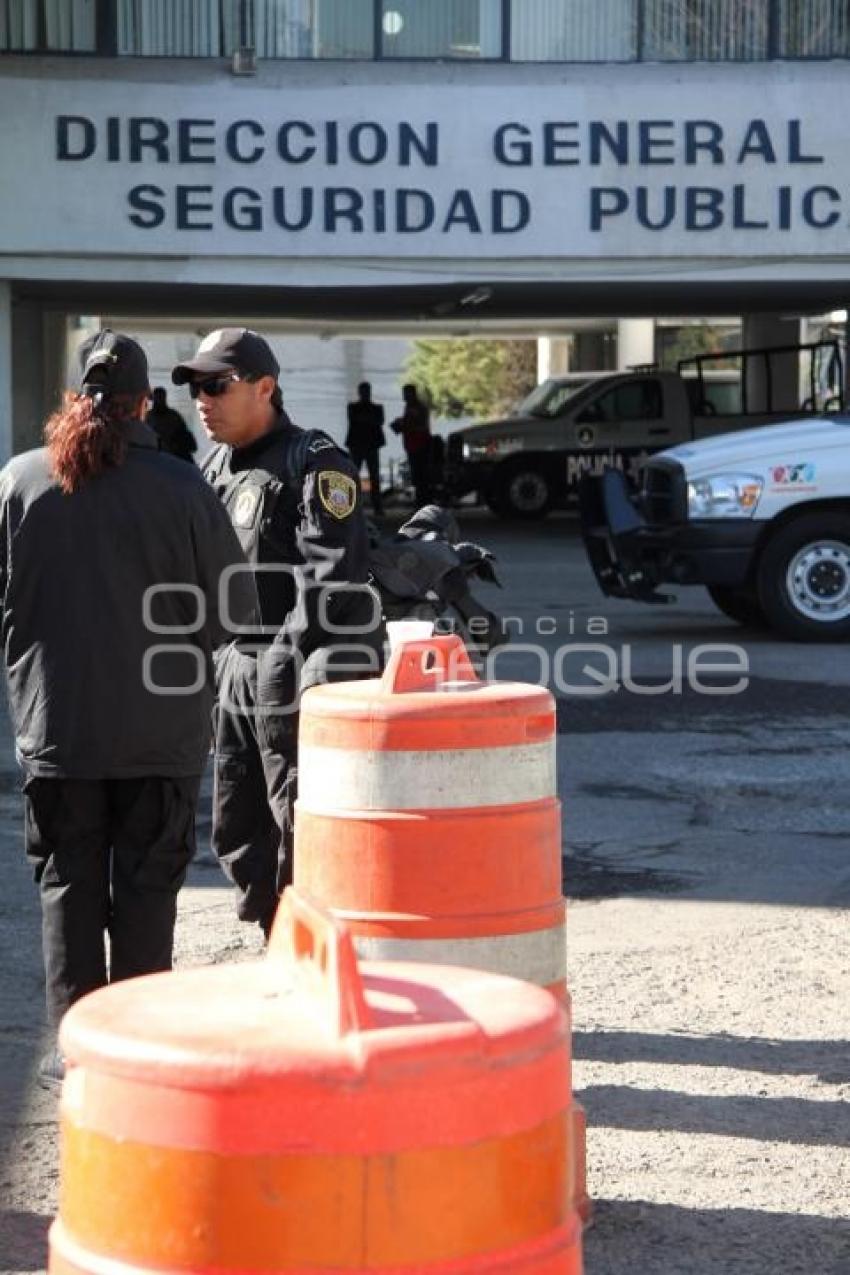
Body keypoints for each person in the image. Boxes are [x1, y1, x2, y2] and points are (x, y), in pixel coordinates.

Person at [0, 330, 256, 1089]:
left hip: (60, 732)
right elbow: (234, 608)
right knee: (147, 893)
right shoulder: (184, 486)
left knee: (67, 888)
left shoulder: (20, 481)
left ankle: (79, 1056)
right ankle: (141, 1060)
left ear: (74, 400)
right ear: (146, 402)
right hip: (160, 734)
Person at [172, 328, 381, 939]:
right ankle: (271, 935)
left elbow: (330, 575)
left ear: (265, 387)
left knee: (299, 819)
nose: (202, 400)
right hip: (232, 665)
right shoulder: (214, 468)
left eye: (217, 385)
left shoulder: (315, 462)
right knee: (237, 826)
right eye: (195, 388)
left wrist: (281, 663)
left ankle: (312, 950)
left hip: (291, 670)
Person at [345, 381, 385, 516]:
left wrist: (363, 419)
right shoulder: (375, 408)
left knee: (365, 476)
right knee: (364, 476)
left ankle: (368, 507)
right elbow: (376, 422)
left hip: (361, 444)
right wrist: (369, 420)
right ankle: (374, 507)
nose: (365, 394)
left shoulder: (354, 408)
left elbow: (375, 421)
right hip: (366, 444)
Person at [390, 383, 432, 505]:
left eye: (406, 394)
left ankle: (423, 503)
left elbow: (421, 426)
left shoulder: (419, 408)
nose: (404, 396)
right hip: (412, 445)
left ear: (412, 394)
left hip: (420, 445)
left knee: (421, 475)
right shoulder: (408, 407)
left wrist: (405, 425)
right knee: (417, 475)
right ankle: (420, 502)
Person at [146, 386, 198, 462]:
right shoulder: (148, 417)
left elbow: (187, 439)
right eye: (158, 398)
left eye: (161, 397)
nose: (159, 400)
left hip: (174, 456)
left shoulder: (173, 416)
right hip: (156, 457)